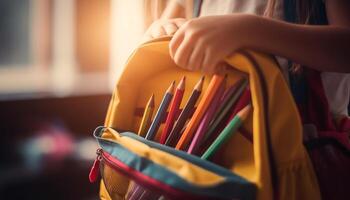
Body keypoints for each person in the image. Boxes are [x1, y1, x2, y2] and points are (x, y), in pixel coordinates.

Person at [142, 0, 350, 118]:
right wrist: (162, 31)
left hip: (303, 162)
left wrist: (250, 30)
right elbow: (163, 29)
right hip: (219, 147)